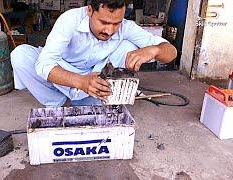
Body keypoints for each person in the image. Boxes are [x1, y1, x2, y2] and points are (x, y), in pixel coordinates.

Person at [10, 0, 177, 107]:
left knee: (129, 46)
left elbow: (171, 52)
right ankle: (58, 104)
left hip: (96, 78)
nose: (110, 30)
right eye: (104, 22)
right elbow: (44, 64)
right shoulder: (69, 19)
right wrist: (81, 81)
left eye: (116, 23)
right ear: (90, 10)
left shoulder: (126, 27)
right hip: (64, 72)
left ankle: (92, 101)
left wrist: (154, 49)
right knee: (20, 55)